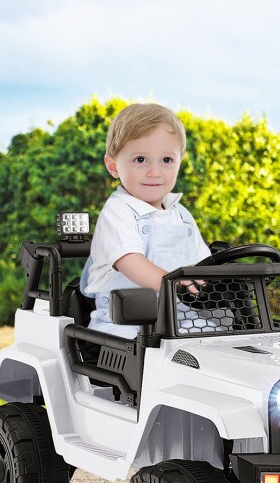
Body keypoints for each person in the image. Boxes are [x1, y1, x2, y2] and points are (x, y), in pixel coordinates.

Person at [80, 103, 211, 338]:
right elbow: (130, 261)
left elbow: (204, 266)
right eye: (140, 160)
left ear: (180, 161)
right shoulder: (119, 210)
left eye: (167, 160)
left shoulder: (182, 215)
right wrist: (175, 284)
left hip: (180, 319)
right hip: (124, 322)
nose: (154, 172)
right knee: (137, 347)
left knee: (222, 335)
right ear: (113, 166)